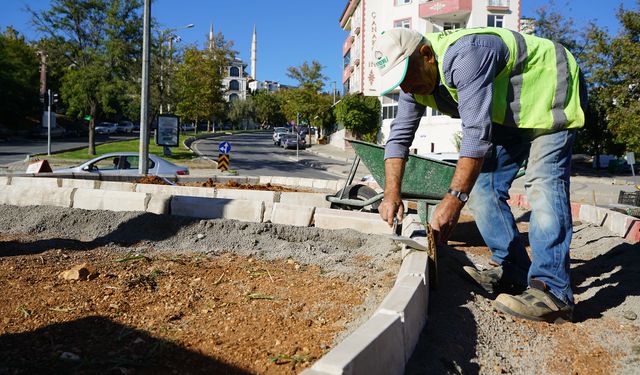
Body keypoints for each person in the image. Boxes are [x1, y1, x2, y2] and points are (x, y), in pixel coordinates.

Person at [374, 27, 587, 323]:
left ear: (426, 55)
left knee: (543, 182)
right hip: (512, 114)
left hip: (552, 90)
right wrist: (391, 194)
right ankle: (513, 271)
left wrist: (452, 199)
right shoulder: (415, 87)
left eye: (407, 78)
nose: (406, 89)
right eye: (400, 84)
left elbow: (476, 134)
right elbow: (398, 139)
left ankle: (553, 291)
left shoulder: (466, 55)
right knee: (483, 189)